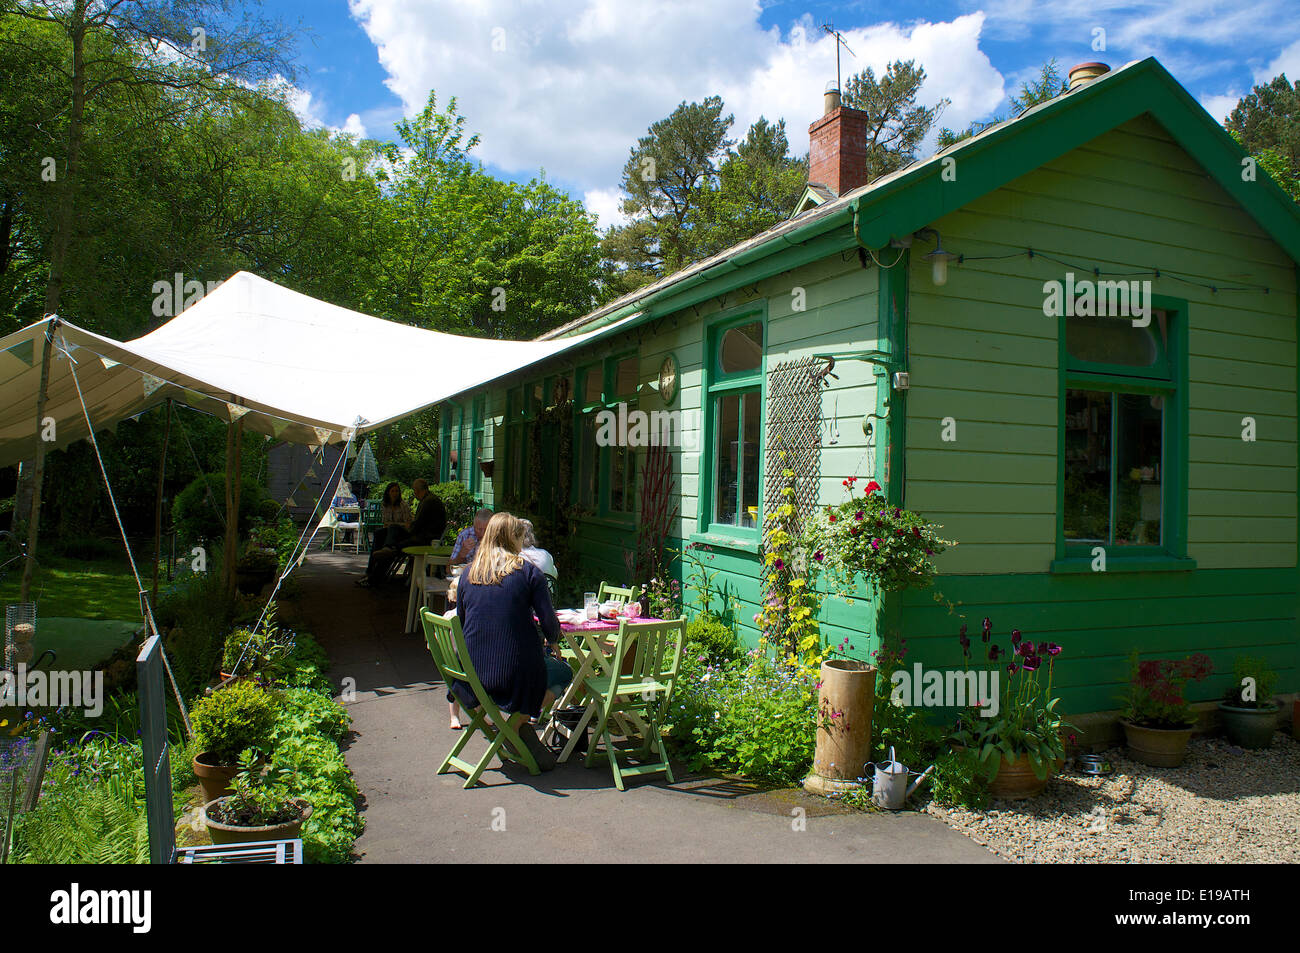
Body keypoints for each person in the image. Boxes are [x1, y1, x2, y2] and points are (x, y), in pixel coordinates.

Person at [449, 513, 567, 768]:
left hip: (469, 675)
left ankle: (512, 730)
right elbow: (548, 619)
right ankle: (514, 726)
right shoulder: (527, 573)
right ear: (513, 538)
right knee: (563, 672)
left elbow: (462, 618)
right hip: (513, 676)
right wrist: (554, 640)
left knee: (540, 667)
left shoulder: (469, 574)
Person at [358, 477, 446, 586]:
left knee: (392, 533)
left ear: (417, 490)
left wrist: (404, 528)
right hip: (423, 535)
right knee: (380, 534)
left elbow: (415, 525)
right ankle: (373, 571)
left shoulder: (427, 502)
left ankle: (375, 575)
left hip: (423, 538)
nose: (414, 494)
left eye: (414, 491)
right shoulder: (429, 500)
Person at [372, 482, 413, 552]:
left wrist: (394, 525)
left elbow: (408, 524)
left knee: (393, 527)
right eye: (392, 491)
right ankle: (374, 558)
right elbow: (385, 523)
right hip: (389, 531)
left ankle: (388, 547)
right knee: (378, 533)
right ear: (388, 493)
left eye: (396, 491)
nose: (395, 493)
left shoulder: (403, 505)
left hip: (402, 533)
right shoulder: (385, 505)